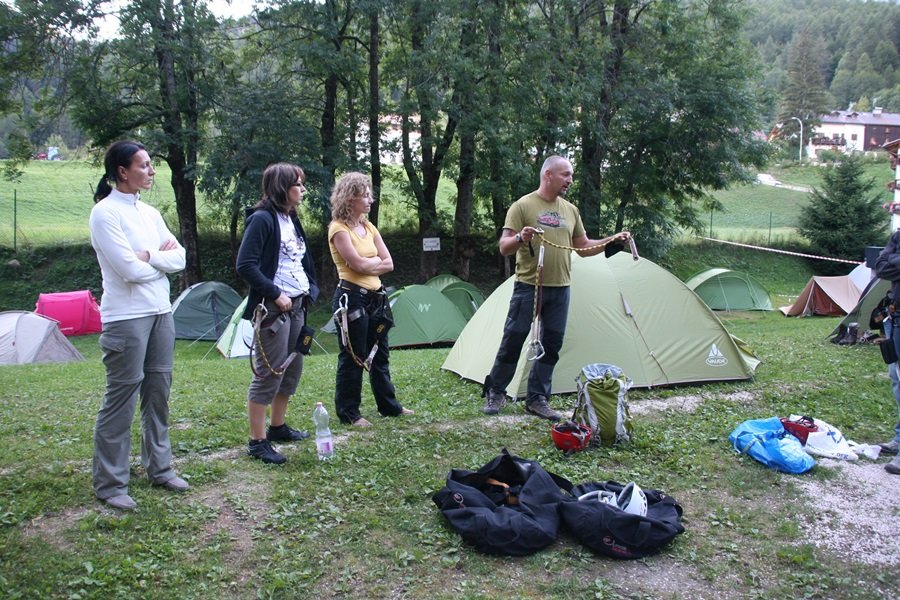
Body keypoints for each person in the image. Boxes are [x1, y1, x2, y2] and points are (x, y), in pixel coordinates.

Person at [482, 155, 631, 421]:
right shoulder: (522, 205)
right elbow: (504, 246)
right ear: (548, 174)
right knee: (514, 338)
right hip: (529, 286)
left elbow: (583, 247)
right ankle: (496, 392)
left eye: (571, 175)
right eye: (566, 175)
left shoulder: (570, 210)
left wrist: (612, 238)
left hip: (561, 288)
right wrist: (520, 237)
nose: (570, 180)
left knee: (551, 344)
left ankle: (537, 399)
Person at [89, 140, 189, 510]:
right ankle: (111, 484)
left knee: (158, 393)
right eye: (144, 165)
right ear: (122, 171)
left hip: (161, 313)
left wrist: (149, 256)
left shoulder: (148, 214)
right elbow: (127, 271)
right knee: (121, 398)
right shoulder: (105, 214)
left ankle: (160, 469)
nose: (151, 171)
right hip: (126, 319)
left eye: (151, 165)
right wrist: (156, 261)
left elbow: (179, 257)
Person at [236, 163, 319, 465]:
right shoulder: (261, 219)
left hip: (298, 305)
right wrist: (275, 294)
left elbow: (302, 259)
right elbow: (245, 265)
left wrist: (310, 288)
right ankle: (257, 442)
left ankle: (278, 427)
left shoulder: (290, 218)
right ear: (283, 188)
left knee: (291, 369)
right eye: (298, 185)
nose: (303, 190)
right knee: (269, 372)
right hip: (274, 309)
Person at [328, 172, 413, 426]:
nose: (369, 200)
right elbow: (355, 264)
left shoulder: (368, 226)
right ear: (349, 198)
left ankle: (389, 406)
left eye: (369, 194)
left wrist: (370, 263)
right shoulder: (338, 229)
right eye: (364, 195)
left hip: (376, 298)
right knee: (354, 356)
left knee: (380, 355)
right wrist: (371, 263)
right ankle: (350, 413)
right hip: (352, 299)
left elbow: (389, 263)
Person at [874, 232, 900, 475]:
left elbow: (887, 262)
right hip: (895, 320)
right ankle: (899, 438)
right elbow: (880, 267)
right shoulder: (898, 236)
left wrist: (893, 260)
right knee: (896, 378)